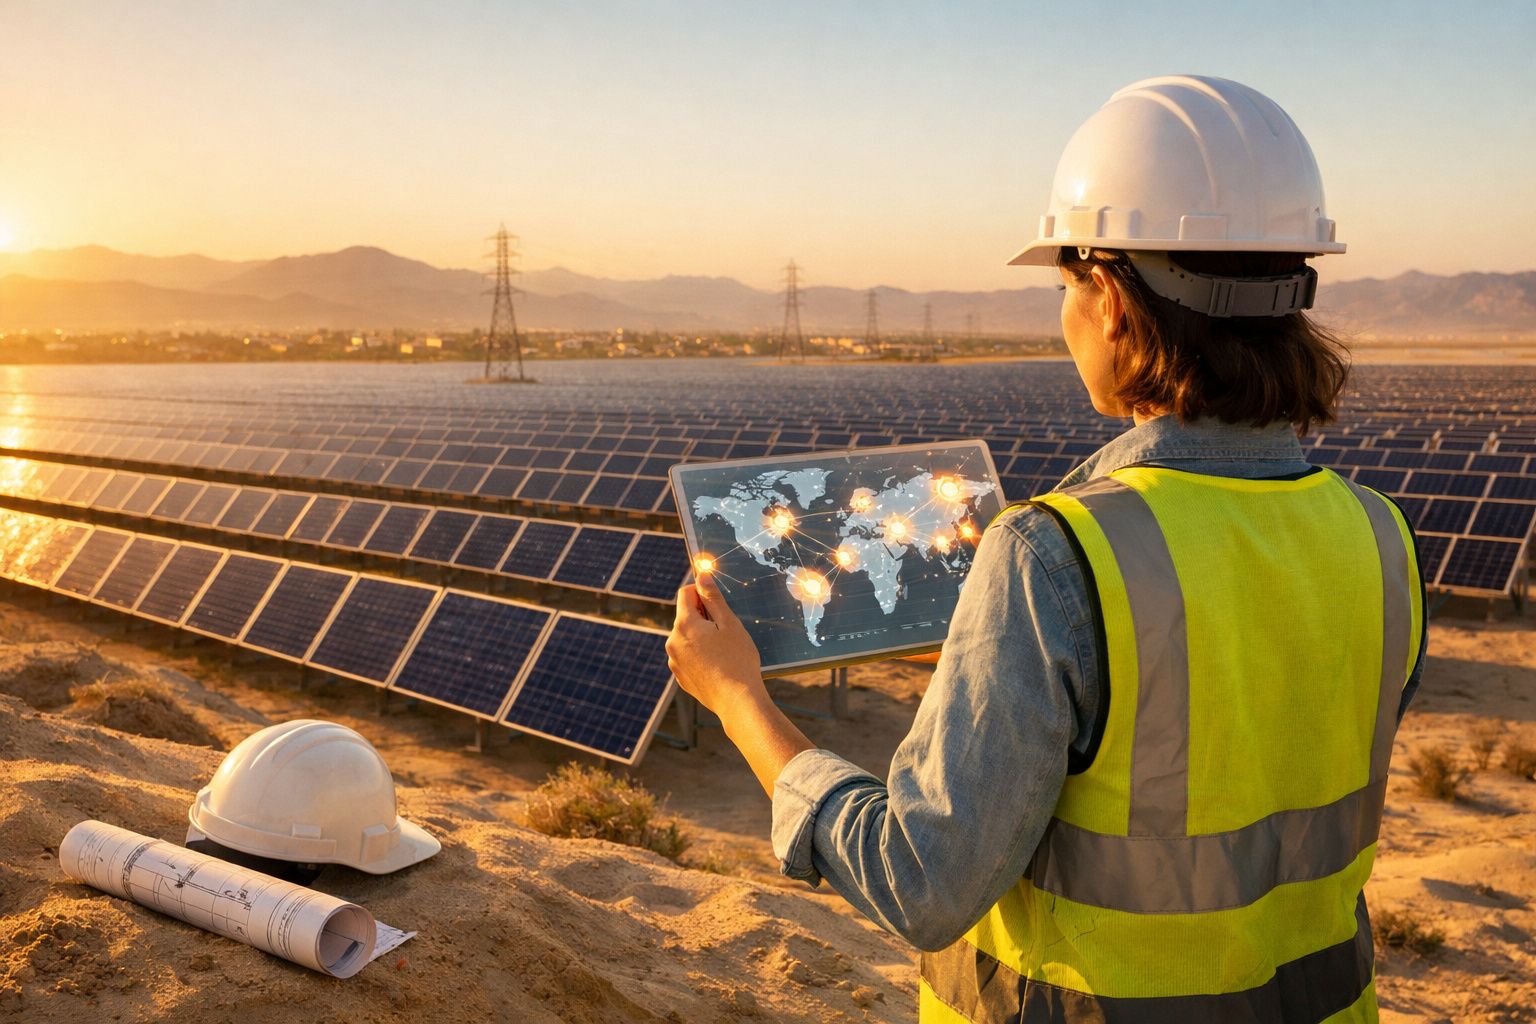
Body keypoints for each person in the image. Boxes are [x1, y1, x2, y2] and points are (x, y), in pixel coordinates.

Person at [665, 75, 1425, 1023]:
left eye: (1065, 283)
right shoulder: (1381, 536)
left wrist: (736, 696)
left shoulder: (1054, 556)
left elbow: (923, 885)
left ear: (1108, 296)